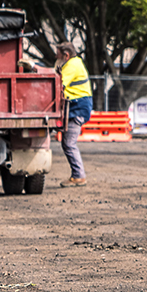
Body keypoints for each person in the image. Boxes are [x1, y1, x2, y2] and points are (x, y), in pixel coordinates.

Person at [54, 43, 93, 187]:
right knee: (68, 143)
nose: (55, 57)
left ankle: (78, 176)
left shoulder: (72, 65)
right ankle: (78, 175)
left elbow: (57, 83)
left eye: (58, 54)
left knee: (69, 143)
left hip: (77, 108)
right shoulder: (75, 63)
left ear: (66, 55)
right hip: (76, 107)